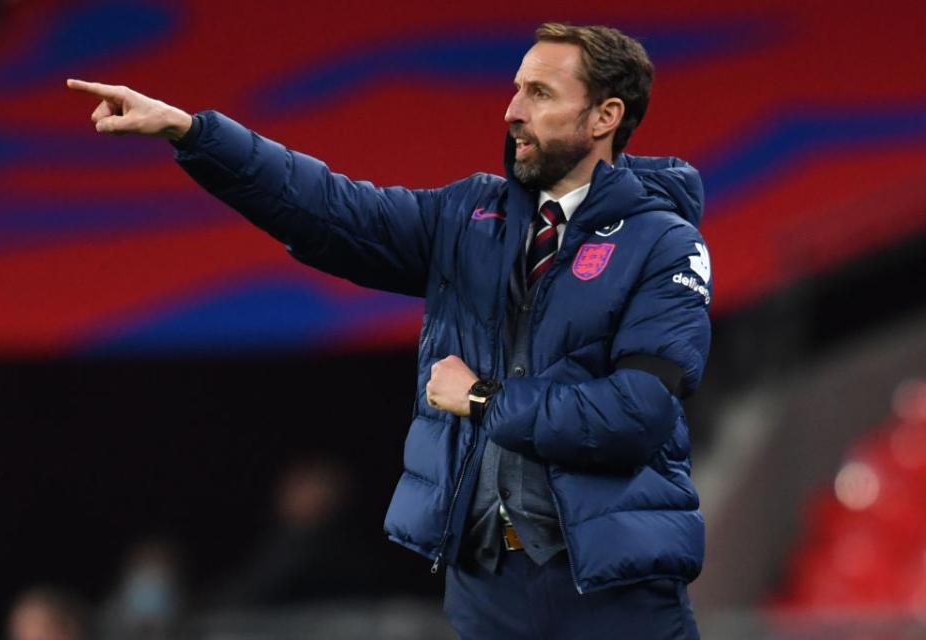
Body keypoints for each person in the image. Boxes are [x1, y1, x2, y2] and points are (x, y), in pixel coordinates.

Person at [68, 21, 711, 639]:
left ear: (605, 117)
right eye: (516, 88)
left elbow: (638, 413)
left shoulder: (665, 245)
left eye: (539, 93)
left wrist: (484, 398)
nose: (511, 110)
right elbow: (324, 207)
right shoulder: (467, 217)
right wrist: (194, 133)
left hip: (611, 587)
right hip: (487, 583)